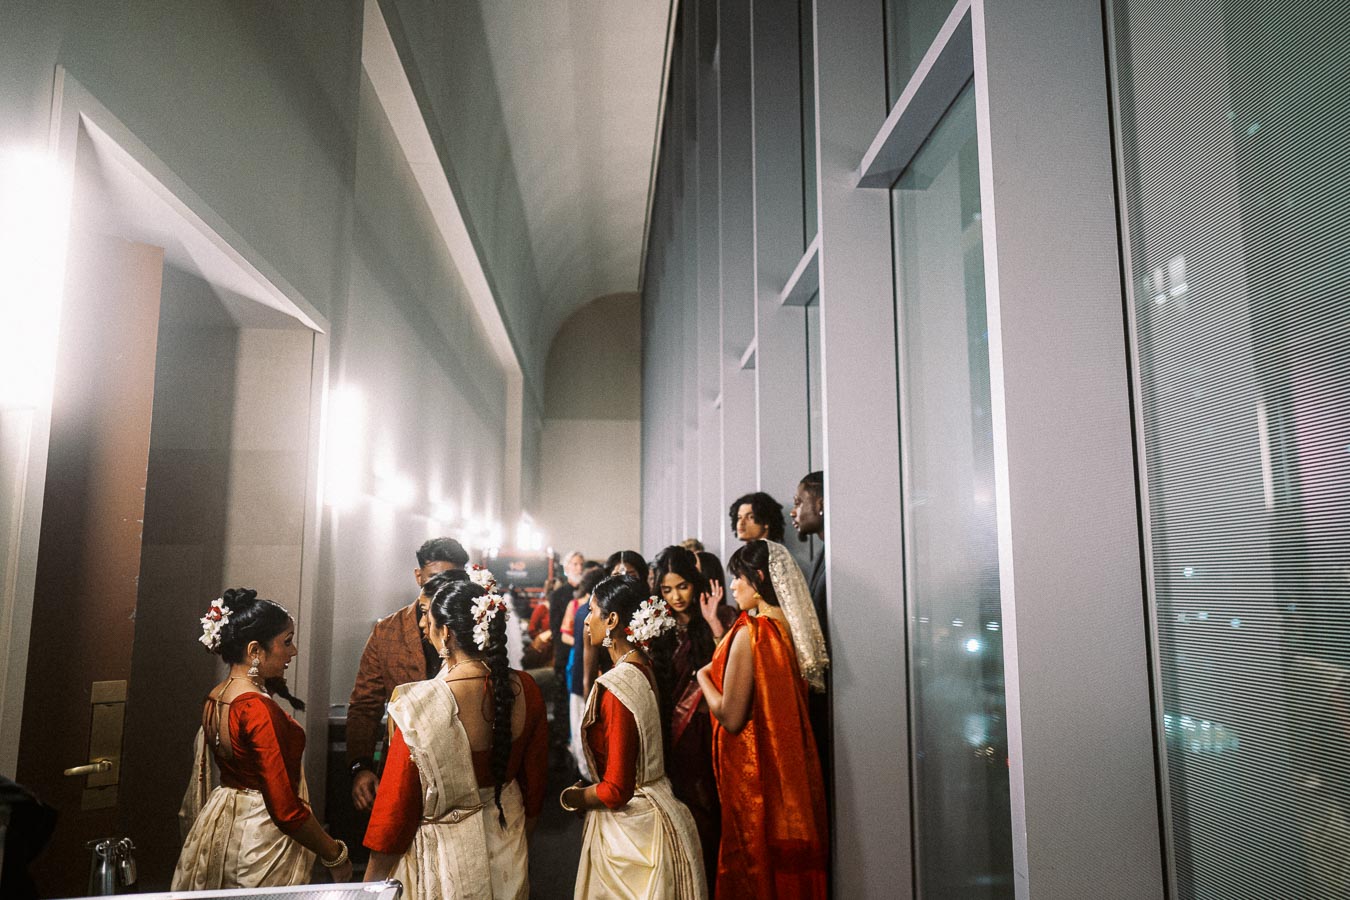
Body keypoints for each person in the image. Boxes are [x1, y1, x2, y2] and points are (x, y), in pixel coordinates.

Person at [363, 571, 548, 898]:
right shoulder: (525, 689)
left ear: (446, 633)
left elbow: (395, 810)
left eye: (429, 622)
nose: (424, 628)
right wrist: (521, 836)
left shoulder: (419, 706)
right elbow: (535, 782)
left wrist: (370, 883)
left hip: (445, 859)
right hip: (508, 841)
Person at [175, 589, 353, 888]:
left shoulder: (217, 696)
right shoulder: (255, 708)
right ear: (255, 650)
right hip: (260, 834)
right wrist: (334, 854)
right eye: (287, 641)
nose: (293, 651)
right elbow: (284, 809)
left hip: (224, 823)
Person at [696, 540, 829, 899]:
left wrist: (702, 678)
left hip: (753, 777)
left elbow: (731, 715)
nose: (733, 587)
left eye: (737, 578)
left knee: (752, 866)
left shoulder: (752, 633)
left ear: (757, 577)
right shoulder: (787, 629)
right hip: (787, 772)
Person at [563, 575, 706, 899]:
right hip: (661, 806)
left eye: (592, 611)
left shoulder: (617, 687)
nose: (586, 621)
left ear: (612, 620)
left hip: (633, 833)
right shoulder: (646, 667)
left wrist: (574, 798)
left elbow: (616, 790)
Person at [349, 537, 470, 812]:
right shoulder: (388, 631)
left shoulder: (474, 631)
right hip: (401, 767)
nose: (444, 589)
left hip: (461, 768)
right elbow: (364, 705)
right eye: (436, 578)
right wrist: (360, 766)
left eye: (454, 581)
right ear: (419, 577)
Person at [656, 545, 737, 893]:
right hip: (667, 732)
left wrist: (714, 622)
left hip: (706, 732)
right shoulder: (654, 624)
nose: (675, 597)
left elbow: (732, 671)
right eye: (666, 589)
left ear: (695, 582)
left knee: (706, 808)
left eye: (682, 587)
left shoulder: (717, 617)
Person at [790, 470, 832, 785]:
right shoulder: (821, 554)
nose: (794, 511)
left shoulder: (835, 554)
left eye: (799, 502)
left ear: (820, 504)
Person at [563, 565, 608, 777]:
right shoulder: (590, 612)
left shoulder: (581, 610)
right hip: (589, 676)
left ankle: (585, 772)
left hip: (579, 675)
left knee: (580, 724)